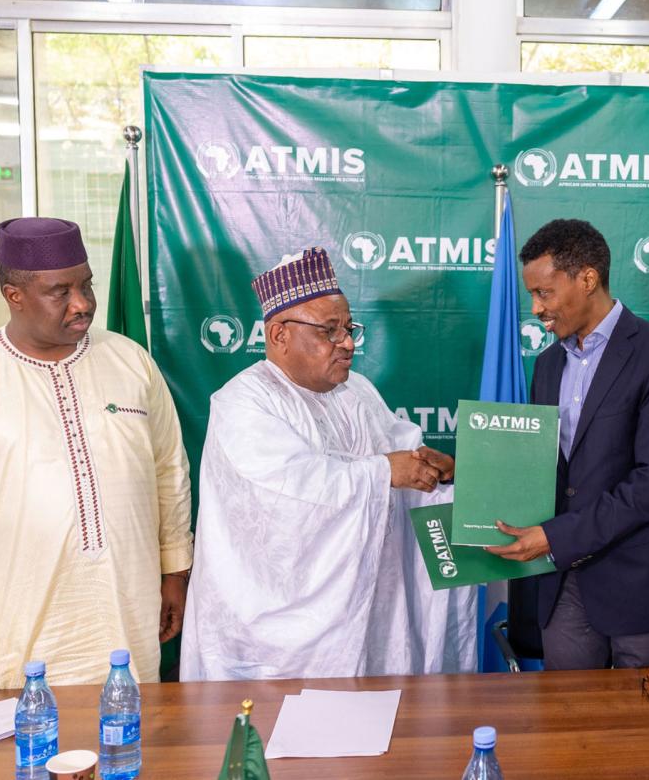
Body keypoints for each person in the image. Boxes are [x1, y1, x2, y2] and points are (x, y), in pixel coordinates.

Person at [0, 217, 193, 695]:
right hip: (15, 630)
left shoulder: (131, 362)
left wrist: (175, 570)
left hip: (127, 611)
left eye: (86, 285)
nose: (82, 304)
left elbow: (169, 470)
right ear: (14, 295)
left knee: (131, 731)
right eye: (60, 292)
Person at [180, 248, 476, 681]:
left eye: (349, 328)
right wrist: (385, 472)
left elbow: (402, 452)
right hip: (277, 637)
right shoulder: (244, 402)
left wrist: (436, 469)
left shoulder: (356, 391)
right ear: (279, 335)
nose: (348, 343)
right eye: (330, 331)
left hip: (371, 611)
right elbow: (290, 493)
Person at [488, 219, 649, 670]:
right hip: (565, 581)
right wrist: (465, 469)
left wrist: (555, 536)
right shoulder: (547, 365)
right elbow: (542, 466)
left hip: (642, 581)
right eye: (532, 295)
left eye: (544, 293)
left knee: (646, 712)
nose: (535, 308)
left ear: (587, 279)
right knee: (569, 713)